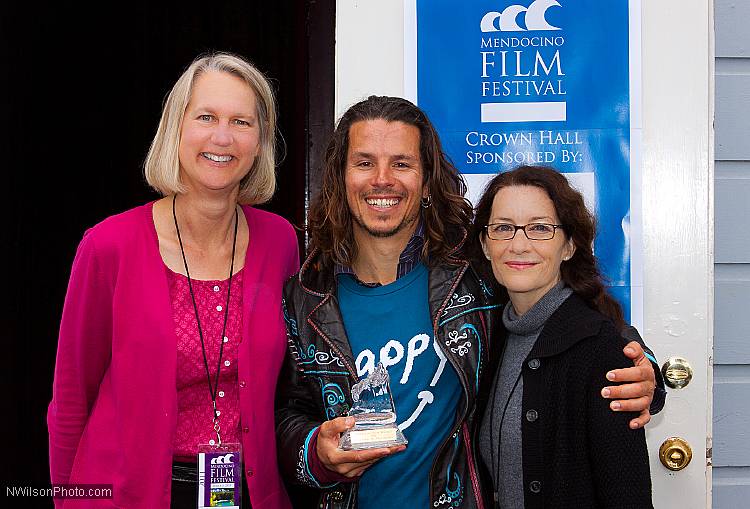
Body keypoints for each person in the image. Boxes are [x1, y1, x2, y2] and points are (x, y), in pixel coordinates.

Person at [275, 96, 662, 509]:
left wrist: (645, 372)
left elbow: (577, 322)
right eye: (365, 162)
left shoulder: (476, 270)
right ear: (341, 176)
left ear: (426, 180)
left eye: (402, 164)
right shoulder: (306, 296)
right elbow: (288, 413)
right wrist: (316, 453)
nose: (382, 179)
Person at [47, 52, 299, 508]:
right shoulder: (109, 246)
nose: (222, 137)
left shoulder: (280, 243)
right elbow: (70, 399)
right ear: (176, 128)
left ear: (261, 141)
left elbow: (291, 389)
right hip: (125, 495)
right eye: (206, 116)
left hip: (243, 493)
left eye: (242, 122)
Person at [472, 165, 653, 508]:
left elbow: (628, 496)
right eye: (503, 228)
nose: (519, 245)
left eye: (540, 228)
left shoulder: (600, 348)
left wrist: (652, 374)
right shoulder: (487, 337)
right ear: (485, 244)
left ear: (569, 246)